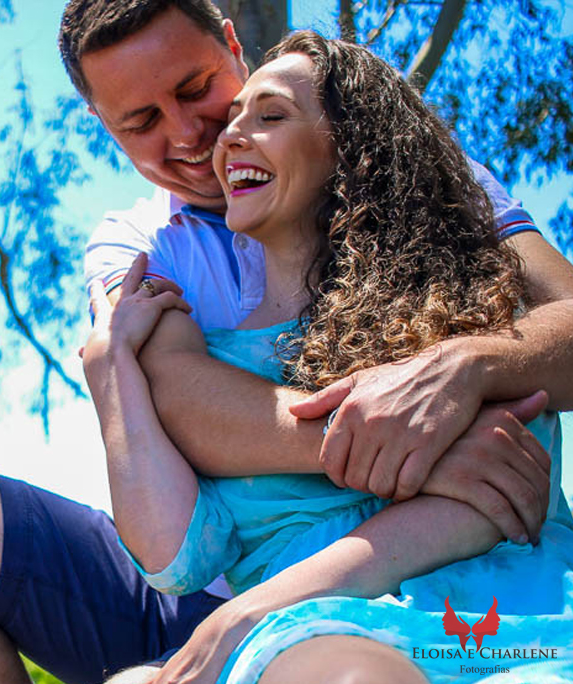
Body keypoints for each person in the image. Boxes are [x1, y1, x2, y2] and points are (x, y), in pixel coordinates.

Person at [0, 2, 573, 683]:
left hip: (376, 583)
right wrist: (401, 438)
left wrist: (466, 368)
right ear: (105, 127)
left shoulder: (419, 185)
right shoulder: (140, 245)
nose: (186, 134)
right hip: (186, 563)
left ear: (234, 47)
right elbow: (178, 402)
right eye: (139, 123)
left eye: (194, 87)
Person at [83, 32, 573, 684]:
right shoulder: (206, 346)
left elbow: (500, 492)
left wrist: (248, 611)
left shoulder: (448, 311)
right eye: (236, 118)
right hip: (298, 635)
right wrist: (112, 373)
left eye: (270, 115)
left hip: (497, 622)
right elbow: (174, 558)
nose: (222, 138)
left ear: (353, 152)